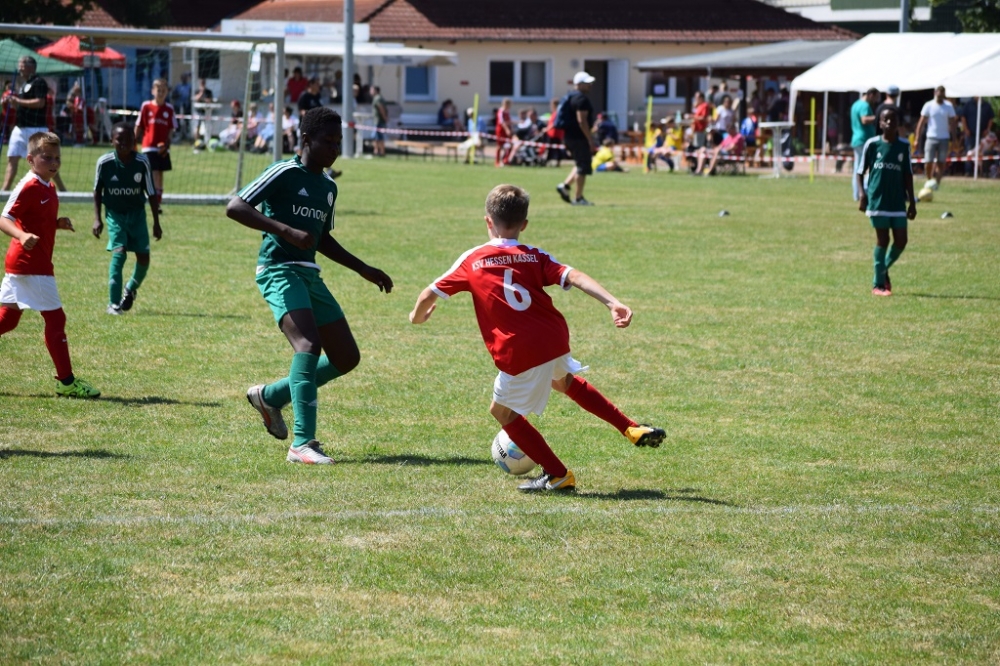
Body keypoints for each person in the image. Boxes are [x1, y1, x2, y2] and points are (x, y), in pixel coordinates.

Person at [409, 184, 666, 493]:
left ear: (488, 221)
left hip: (519, 348)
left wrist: (417, 317)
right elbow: (574, 276)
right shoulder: (534, 255)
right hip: (553, 337)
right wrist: (613, 302)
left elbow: (428, 294)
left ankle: (558, 475)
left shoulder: (473, 259)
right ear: (524, 224)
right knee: (563, 381)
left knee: (502, 412)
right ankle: (631, 428)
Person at [226, 107, 394, 464]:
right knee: (307, 344)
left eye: (338, 142)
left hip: (309, 274)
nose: (334, 148)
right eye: (327, 141)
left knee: (346, 357)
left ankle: (270, 397)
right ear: (305, 139)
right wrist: (285, 230)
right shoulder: (284, 172)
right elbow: (235, 206)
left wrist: (363, 268)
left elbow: (322, 239)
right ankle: (302, 444)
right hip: (278, 269)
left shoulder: (329, 187)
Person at [0, 132, 100, 398]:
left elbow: (36, 219)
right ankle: (67, 382)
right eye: (47, 157)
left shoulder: (48, 186)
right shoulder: (30, 185)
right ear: (30, 159)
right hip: (31, 263)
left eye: (57, 158)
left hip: (26, 263)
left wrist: (56, 224)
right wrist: (21, 236)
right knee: (56, 318)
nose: (54, 162)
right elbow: (4, 218)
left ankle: (66, 382)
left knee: (8, 319)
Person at [92, 123, 161, 315]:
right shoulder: (104, 162)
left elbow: (151, 193)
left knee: (144, 258)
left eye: (129, 139)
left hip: (137, 215)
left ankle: (130, 288)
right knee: (119, 252)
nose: (124, 143)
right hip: (115, 215)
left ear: (134, 141)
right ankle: (113, 304)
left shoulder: (142, 161)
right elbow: (97, 191)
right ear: (111, 140)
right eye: (119, 139)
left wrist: (156, 223)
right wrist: (97, 219)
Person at [857, 107, 917, 297]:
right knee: (883, 240)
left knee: (901, 240)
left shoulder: (904, 145)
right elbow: (860, 171)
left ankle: (882, 271)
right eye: (885, 119)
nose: (889, 122)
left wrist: (912, 202)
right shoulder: (872, 144)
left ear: (898, 123)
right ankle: (878, 285)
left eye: (892, 119)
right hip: (878, 200)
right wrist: (862, 195)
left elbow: (908, 174)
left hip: (897, 201)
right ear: (880, 123)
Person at [2, 57, 67, 193]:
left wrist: (18, 101)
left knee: (46, 162)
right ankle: (4, 191)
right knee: (12, 159)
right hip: (19, 129)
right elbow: (21, 105)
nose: (19, 68)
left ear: (31, 67)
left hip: (36, 129)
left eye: (22, 65)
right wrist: (11, 103)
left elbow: (40, 103)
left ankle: (63, 190)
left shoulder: (39, 82)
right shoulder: (23, 85)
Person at [135, 79, 176, 213]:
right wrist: (134, 140)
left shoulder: (169, 109)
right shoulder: (146, 106)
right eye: (158, 90)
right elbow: (139, 125)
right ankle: (151, 199)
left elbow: (171, 127)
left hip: (162, 147)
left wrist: (167, 143)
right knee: (152, 172)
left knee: (160, 173)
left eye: (163, 91)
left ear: (167, 92)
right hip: (149, 146)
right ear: (153, 91)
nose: (161, 93)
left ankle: (157, 201)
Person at [555, 71, 596, 206]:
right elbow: (582, 121)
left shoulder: (570, 97)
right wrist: (590, 139)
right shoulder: (581, 99)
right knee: (583, 166)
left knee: (579, 164)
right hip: (579, 137)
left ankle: (565, 186)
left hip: (569, 136)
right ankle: (578, 198)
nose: (590, 85)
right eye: (587, 83)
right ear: (579, 84)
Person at [914, 86, 956, 187]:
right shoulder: (928, 105)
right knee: (928, 162)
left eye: (942, 93)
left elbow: (953, 124)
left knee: (941, 162)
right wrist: (917, 138)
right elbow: (921, 123)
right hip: (931, 137)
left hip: (944, 138)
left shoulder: (948, 106)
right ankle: (929, 181)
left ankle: (937, 183)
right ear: (935, 93)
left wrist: (954, 139)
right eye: (939, 93)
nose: (940, 95)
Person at [850, 88, 879, 202]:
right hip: (864, 140)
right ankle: (863, 191)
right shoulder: (865, 106)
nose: (876, 100)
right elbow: (864, 120)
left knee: (858, 168)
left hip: (857, 139)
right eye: (876, 97)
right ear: (871, 95)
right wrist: (878, 117)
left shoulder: (855, 104)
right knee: (872, 166)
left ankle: (857, 193)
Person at [960, 96, 994, 176]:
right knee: (969, 152)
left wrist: (988, 129)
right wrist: (966, 129)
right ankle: (968, 171)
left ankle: (982, 172)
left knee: (982, 153)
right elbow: (963, 117)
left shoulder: (987, 105)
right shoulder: (968, 105)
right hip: (970, 134)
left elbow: (991, 118)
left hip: (983, 135)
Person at [171, 72, 192, 139]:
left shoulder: (189, 86)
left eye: (185, 78)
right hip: (178, 105)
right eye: (183, 78)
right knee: (177, 119)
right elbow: (173, 96)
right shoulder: (178, 86)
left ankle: (186, 133)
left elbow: (191, 95)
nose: (184, 79)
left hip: (186, 106)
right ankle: (178, 133)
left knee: (186, 119)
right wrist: (178, 95)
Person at [494, 97, 514, 166]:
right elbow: (502, 122)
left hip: (507, 131)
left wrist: (511, 128)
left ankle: (505, 159)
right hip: (501, 131)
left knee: (510, 145)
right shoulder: (501, 111)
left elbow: (508, 121)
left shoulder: (507, 112)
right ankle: (497, 162)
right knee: (499, 146)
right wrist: (507, 130)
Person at [370, 85, 388, 157]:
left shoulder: (377, 98)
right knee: (376, 137)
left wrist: (384, 117)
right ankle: (376, 151)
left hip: (379, 121)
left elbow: (381, 108)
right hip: (377, 120)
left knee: (379, 137)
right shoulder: (378, 97)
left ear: (376, 91)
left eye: (372, 90)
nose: (370, 91)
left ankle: (382, 152)